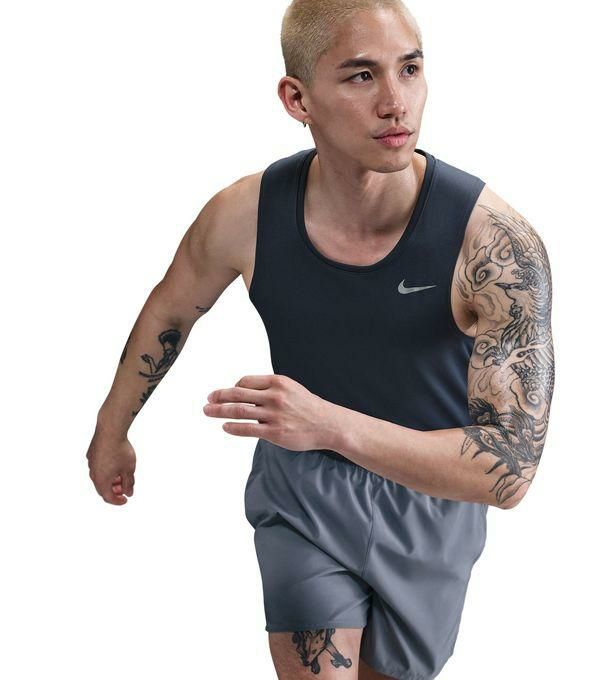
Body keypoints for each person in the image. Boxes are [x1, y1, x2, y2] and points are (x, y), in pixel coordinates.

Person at [87, 1, 555, 678]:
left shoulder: (494, 245)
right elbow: (172, 310)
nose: (395, 102)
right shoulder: (244, 214)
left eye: (410, 69)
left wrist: (329, 424)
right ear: (297, 99)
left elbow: (510, 470)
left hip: (431, 499)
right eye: (362, 76)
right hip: (302, 489)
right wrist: (111, 430)